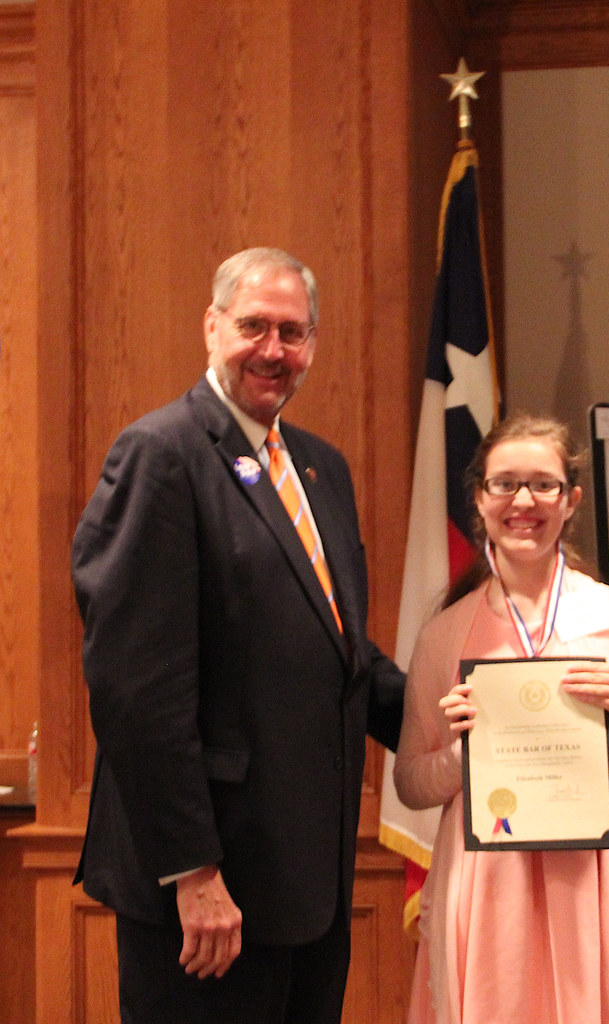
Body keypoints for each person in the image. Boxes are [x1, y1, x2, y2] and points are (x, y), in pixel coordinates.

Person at [72, 247, 405, 1024]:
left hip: (307, 885)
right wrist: (192, 869)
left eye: (293, 332)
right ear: (211, 327)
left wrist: (462, 710)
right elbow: (134, 687)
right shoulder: (161, 454)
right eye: (254, 326)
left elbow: (338, 650)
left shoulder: (320, 468)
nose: (273, 350)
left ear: (313, 344)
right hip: (207, 894)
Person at [393, 413, 609, 1024]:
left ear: (571, 500)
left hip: (605, 880)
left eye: (543, 484)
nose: (524, 501)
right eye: (505, 484)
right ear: (480, 499)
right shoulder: (444, 634)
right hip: (492, 889)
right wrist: (461, 757)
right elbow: (409, 782)